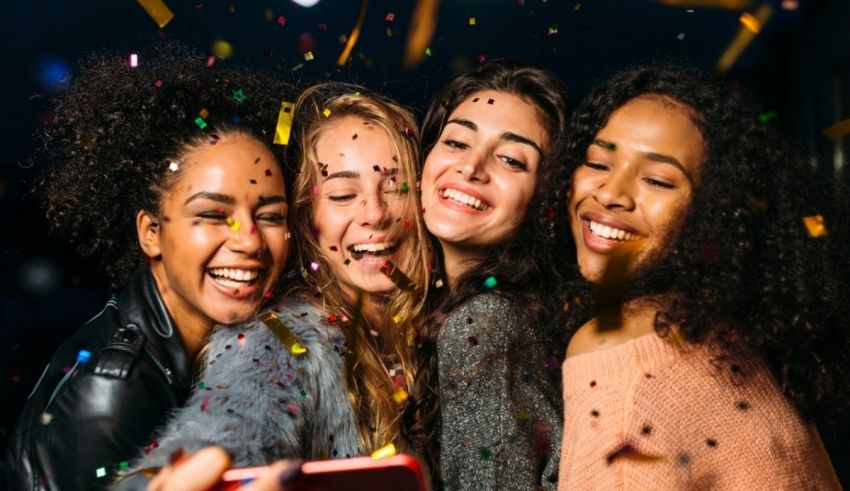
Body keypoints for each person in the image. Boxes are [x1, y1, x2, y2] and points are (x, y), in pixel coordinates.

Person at [5, 43, 295, 491]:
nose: (249, 240)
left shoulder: (230, 350)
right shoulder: (111, 399)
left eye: (271, 216)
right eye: (214, 215)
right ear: (151, 232)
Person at [116, 83, 431, 488]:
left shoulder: (444, 326)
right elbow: (231, 421)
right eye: (341, 193)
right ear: (305, 220)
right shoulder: (283, 338)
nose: (375, 213)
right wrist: (193, 471)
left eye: (394, 186)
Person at [558, 64, 848, 489]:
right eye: (598, 162)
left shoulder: (621, 356)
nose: (610, 194)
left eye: (657, 180)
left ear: (716, 212)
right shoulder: (728, 333)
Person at [403, 61, 572, 490]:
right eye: (457, 141)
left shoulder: (484, 324)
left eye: (512, 159)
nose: (472, 168)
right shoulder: (443, 307)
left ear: (545, 198)